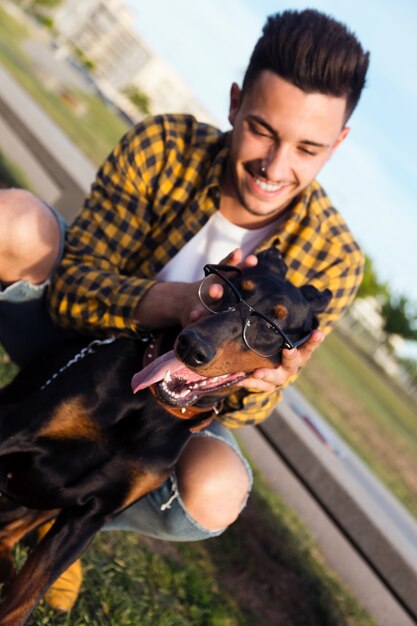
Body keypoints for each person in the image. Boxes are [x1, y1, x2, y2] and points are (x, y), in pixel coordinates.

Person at [0, 8, 369, 612]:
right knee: (12, 221)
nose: (275, 168)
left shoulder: (334, 258)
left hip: (173, 408)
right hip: (74, 346)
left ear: (339, 144)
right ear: (233, 103)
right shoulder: (164, 144)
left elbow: (247, 412)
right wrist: (179, 305)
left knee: (217, 490)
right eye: (262, 130)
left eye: (307, 148)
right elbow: (71, 293)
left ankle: (54, 518)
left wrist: (263, 377)